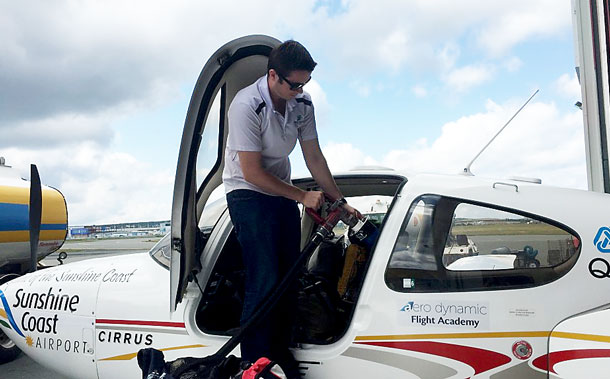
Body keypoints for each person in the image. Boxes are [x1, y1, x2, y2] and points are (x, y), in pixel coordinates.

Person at [222, 40, 359, 378]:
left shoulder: (302, 103)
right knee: (264, 273)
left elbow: (314, 156)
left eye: (305, 85)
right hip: (247, 191)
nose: (300, 91)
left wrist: (338, 201)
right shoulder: (246, 106)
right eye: (294, 84)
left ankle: (279, 350)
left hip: (281, 191)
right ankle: (253, 363)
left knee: (287, 275)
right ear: (273, 76)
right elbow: (252, 172)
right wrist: (301, 196)